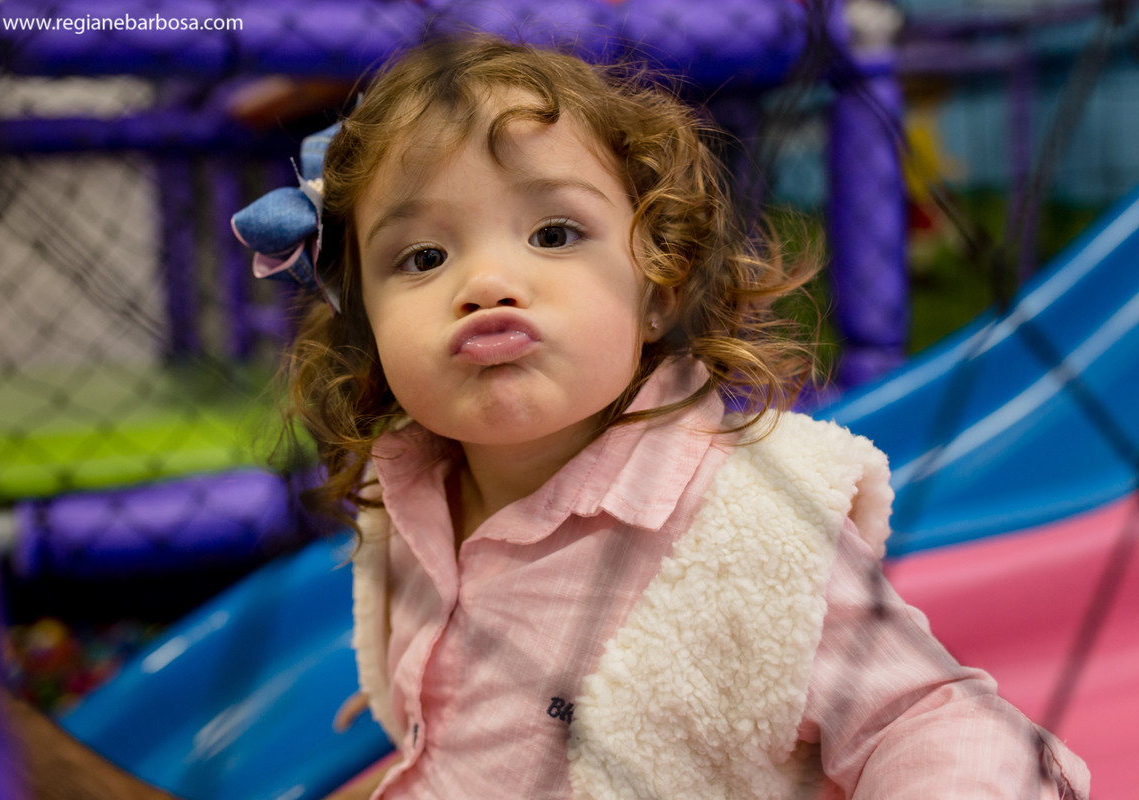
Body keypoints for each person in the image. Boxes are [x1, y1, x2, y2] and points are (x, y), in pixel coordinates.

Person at [235, 33, 1090, 800]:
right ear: (366, 325)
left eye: (555, 233)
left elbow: (927, 718)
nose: (487, 281)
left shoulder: (744, 525)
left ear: (659, 293)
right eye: (423, 256)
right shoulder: (413, 489)